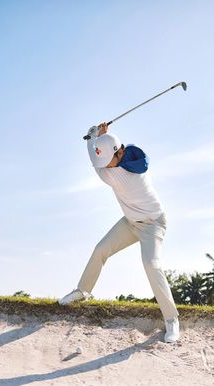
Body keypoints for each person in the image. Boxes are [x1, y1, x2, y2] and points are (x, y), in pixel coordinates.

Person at [58, 122, 180, 343]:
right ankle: (83, 291)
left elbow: (94, 162)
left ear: (120, 154)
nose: (106, 166)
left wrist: (92, 137)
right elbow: (100, 156)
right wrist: (101, 139)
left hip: (153, 224)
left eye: (109, 162)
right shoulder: (125, 154)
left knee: (151, 264)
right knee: (100, 249)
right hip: (130, 222)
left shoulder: (117, 175)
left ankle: (172, 319)